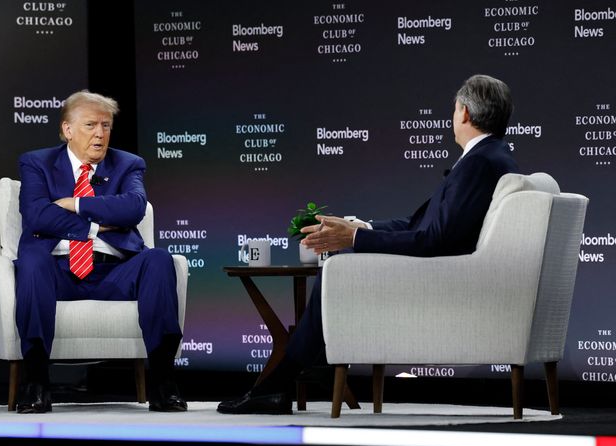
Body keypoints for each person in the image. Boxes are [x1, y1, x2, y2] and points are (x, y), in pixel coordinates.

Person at [218, 74, 520, 414]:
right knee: (342, 261)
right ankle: (278, 385)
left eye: (453, 110)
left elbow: (434, 239)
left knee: (338, 266)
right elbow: (419, 224)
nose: (452, 117)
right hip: (444, 275)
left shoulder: (479, 163)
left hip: (436, 281)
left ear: (464, 113)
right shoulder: (491, 157)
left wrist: (355, 239)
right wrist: (361, 226)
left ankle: (276, 386)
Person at [14, 91, 186, 413]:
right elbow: (36, 215)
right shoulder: (37, 162)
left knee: (159, 260)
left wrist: (75, 203)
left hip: (114, 272)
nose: (100, 134)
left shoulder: (127, 164)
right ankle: (35, 383)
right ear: (67, 129)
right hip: (57, 270)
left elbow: (134, 209)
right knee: (32, 261)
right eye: (91, 124)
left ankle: (164, 383)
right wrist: (95, 226)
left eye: (105, 126)